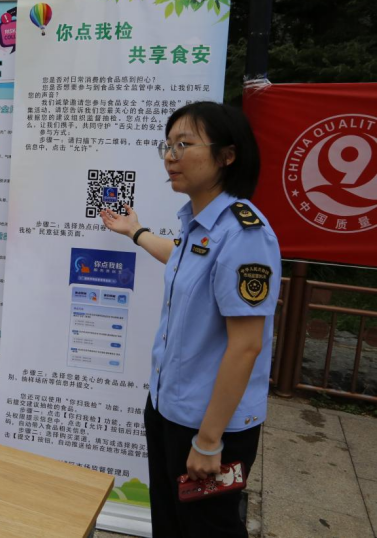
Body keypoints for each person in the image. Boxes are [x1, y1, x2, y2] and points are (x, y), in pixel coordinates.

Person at [100, 101, 281, 537]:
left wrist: (209, 440)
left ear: (227, 155)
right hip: (168, 410)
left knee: (207, 528)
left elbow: (246, 345)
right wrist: (136, 232)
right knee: (169, 522)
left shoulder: (245, 234)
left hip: (210, 425)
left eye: (184, 144)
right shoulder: (200, 225)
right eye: (168, 145)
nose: (171, 156)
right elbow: (183, 259)